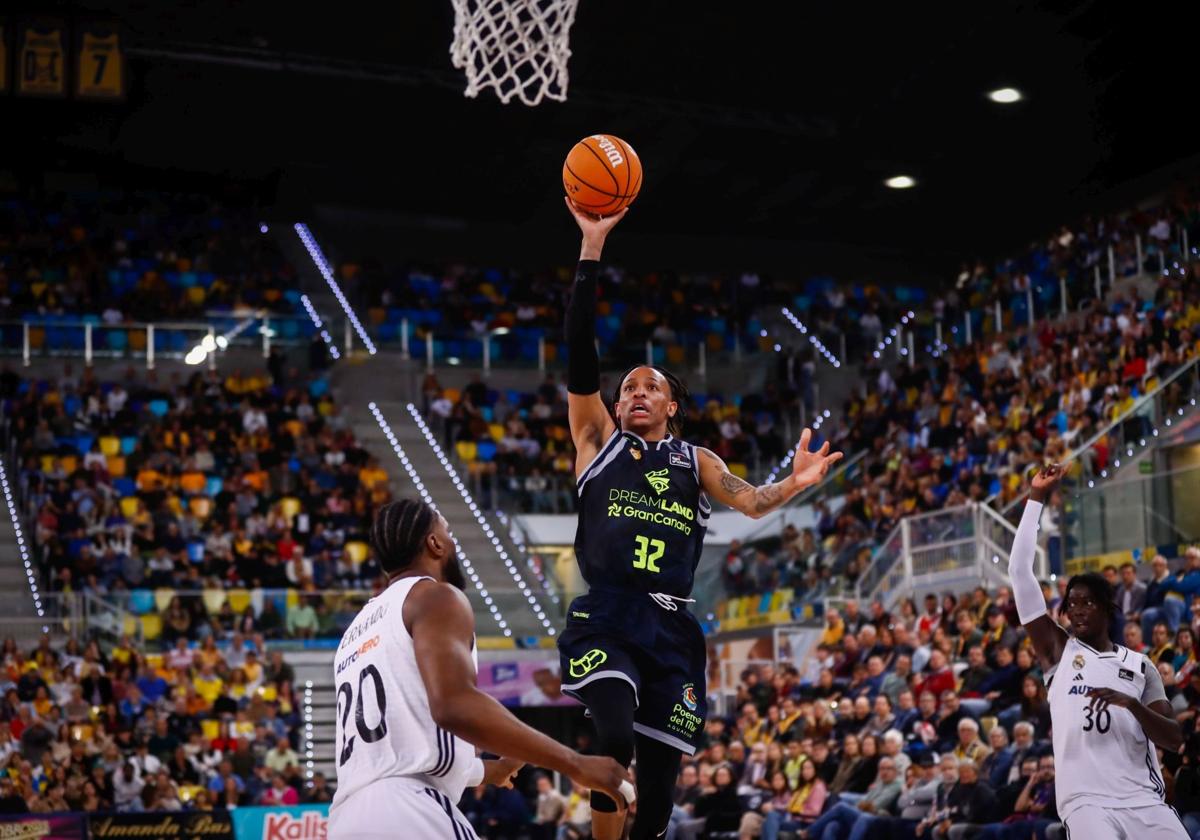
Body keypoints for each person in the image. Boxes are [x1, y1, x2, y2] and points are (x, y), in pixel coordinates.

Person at [557, 200, 843, 840]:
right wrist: (591, 248)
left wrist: (792, 483)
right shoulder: (596, 438)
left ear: (671, 405)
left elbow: (749, 501)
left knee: (657, 797)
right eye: (627, 386)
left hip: (673, 627)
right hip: (609, 609)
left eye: (648, 386)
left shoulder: (698, 460)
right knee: (611, 744)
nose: (634, 393)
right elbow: (578, 348)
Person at [328, 499, 629, 839]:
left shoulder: (355, 632)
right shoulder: (436, 596)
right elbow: (454, 706)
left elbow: (400, 751)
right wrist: (575, 763)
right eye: (448, 532)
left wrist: (490, 771)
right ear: (435, 543)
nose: (453, 543)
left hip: (346, 819)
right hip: (410, 812)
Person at [1008, 464, 1186, 838]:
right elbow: (1020, 573)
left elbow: (1173, 739)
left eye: (1087, 603)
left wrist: (1133, 705)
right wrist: (1036, 497)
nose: (1077, 610)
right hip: (1086, 800)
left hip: (1143, 800)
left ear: (1108, 608)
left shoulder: (1140, 666)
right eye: (1071, 605)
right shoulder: (1057, 650)